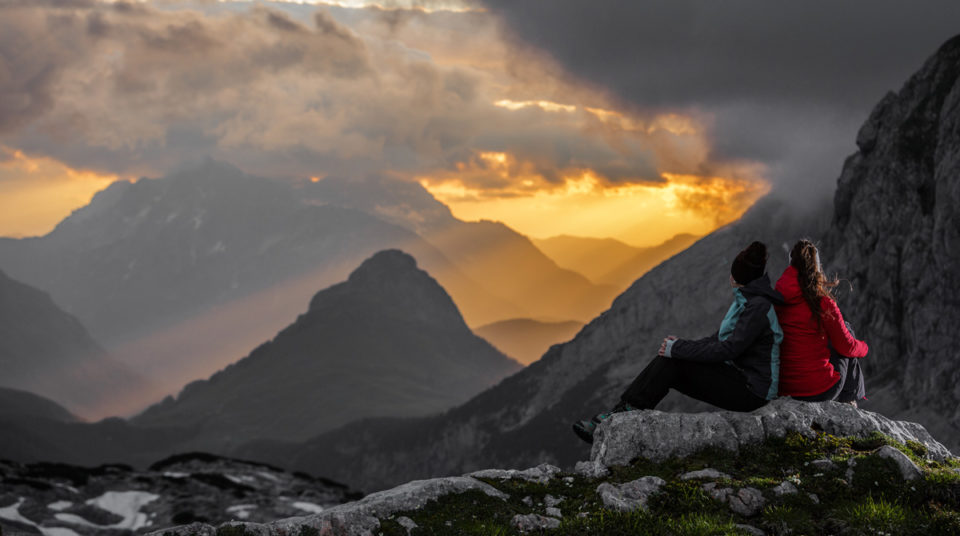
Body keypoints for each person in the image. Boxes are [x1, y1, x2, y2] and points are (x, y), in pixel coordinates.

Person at [573, 241, 785, 444]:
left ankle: (618, 418)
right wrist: (680, 346)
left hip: (752, 392)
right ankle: (621, 413)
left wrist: (680, 350)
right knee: (670, 359)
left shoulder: (757, 307)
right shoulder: (748, 301)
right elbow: (716, 339)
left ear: (736, 278)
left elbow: (728, 349)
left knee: (673, 361)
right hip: (739, 378)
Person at [775, 239, 868, 404]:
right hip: (818, 391)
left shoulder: (776, 299)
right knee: (846, 331)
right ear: (816, 267)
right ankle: (849, 403)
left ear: (790, 265)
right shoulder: (822, 303)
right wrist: (864, 348)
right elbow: (846, 346)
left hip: (785, 390)